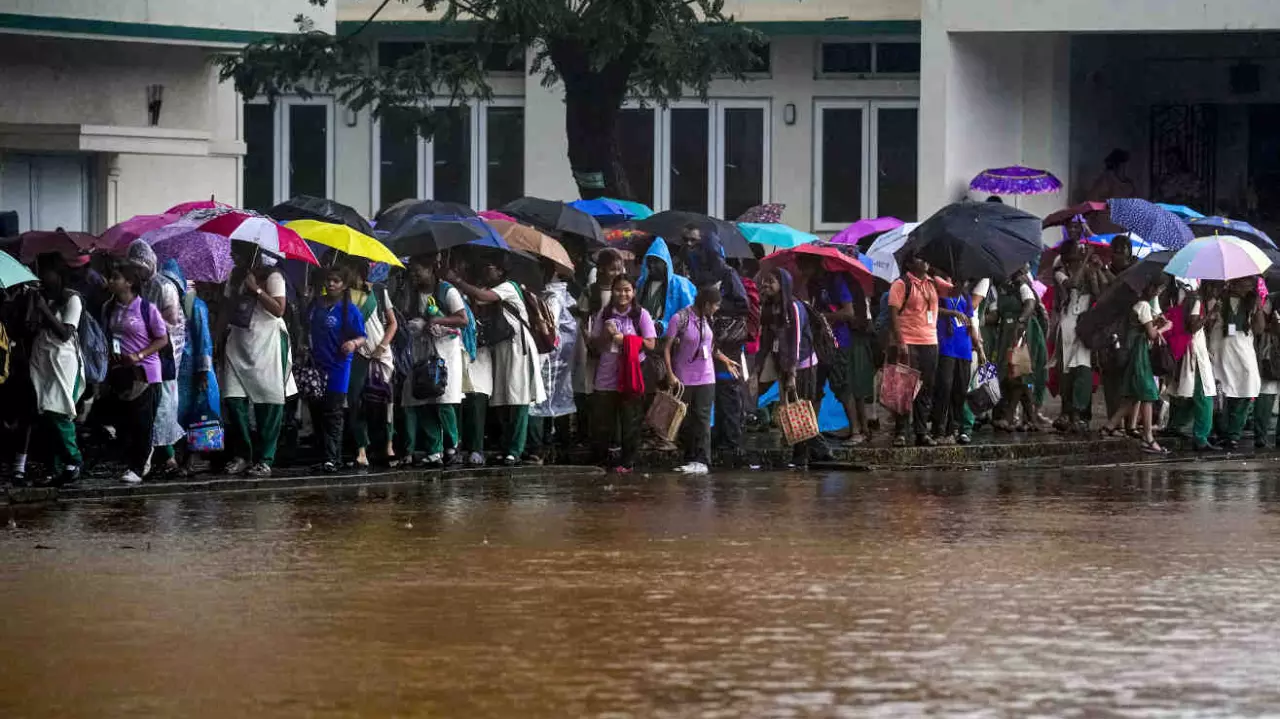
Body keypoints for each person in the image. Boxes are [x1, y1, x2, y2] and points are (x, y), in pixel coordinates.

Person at [447, 255, 545, 467]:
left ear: (500, 271)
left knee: (518, 398)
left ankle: (515, 450)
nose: (485, 271)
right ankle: (505, 446)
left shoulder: (508, 287)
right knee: (503, 397)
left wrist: (457, 281)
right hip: (501, 347)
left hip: (518, 347)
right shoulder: (492, 289)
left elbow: (482, 296)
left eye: (489, 267)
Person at [221, 253, 292, 478]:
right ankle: (243, 454)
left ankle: (265, 458)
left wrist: (256, 289)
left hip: (266, 343)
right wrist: (217, 335)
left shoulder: (273, 277)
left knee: (268, 400)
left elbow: (279, 310)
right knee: (233, 399)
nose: (234, 254)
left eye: (238, 249)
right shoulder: (234, 275)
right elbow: (226, 306)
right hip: (238, 342)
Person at [682, 226, 750, 460]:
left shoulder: (728, 274)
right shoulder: (699, 272)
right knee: (713, 391)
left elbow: (743, 305)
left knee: (728, 390)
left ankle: (732, 440)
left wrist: (717, 306)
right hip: (708, 338)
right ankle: (720, 435)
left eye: (698, 245)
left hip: (728, 339)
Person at [755, 268, 830, 467]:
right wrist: (757, 368)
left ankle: (805, 454)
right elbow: (765, 340)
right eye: (764, 281)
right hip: (783, 364)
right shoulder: (769, 307)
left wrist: (792, 374)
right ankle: (812, 450)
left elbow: (796, 341)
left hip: (803, 364)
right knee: (791, 409)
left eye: (770, 281)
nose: (765, 285)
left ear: (783, 284)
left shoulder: (795, 308)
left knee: (801, 408)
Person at [103, 262, 169, 484]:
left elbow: (162, 339)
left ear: (129, 282)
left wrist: (139, 355)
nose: (111, 281)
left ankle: (139, 467)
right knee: (126, 421)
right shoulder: (109, 308)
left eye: (115, 277)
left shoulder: (146, 309)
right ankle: (135, 462)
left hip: (146, 373)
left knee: (143, 422)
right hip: (122, 374)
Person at [798, 255, 873, 446]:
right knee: (815, 386)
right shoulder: (812, 284)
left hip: (839, 341)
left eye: (803, 264)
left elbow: (848, 313)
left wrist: (824, 316)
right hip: (820, 342)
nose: (800, 268)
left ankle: (855, 430)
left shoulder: (836, 281)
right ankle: (811, 433)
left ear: (814, 263)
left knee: (842, 385)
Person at [400, 257, 468, 468]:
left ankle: (452, 446)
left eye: (418, 271)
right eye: (411, 272)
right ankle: (433, 450)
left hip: (446, 353)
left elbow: (462, 319)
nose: (414, 276)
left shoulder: (447, 291)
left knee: (444, 401)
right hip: (422, 352)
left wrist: (436, 320)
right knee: (424, 401)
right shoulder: (411, 294)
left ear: (430, 269)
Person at [126, 240, 185, 477]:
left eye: (140, 266)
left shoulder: (163, 287)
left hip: (165, 350)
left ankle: (162, 458)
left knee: (163, 405)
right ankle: (164, 456)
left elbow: (170, 321)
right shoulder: (142, 287)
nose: (138, 272)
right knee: (154, 404)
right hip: (148, 350)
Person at [664, 286, 736, 475]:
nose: (716, 309)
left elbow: (710, 347)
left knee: (703, 419)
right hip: (684, 378)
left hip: (706, 377)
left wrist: (726, 360)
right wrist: (670, 374)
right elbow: (666, 348)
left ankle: (702, 460)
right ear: (705, 304)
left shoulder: (709, 320)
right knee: (686, 419)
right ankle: (689, 458)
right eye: (715, 305)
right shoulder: (680, 319)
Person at [590, 274, 656, 473]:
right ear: (612, 291)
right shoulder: (605, 313)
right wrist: (606, 334)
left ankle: (627, 462)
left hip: (632, 373)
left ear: (633, 292)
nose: (623, 294)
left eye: (627, 290)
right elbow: (595, 345)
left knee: (630, 419)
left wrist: (625, 339)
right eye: (618, 289)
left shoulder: (640, 314)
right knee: (603, 419)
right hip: (607, 372)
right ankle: (602, 460)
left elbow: (651, 344)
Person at [29, 253, 85, 485]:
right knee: (45, 412)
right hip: (43, 361)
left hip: (63, 362)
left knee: (59, 410)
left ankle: (74, 461)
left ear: (57, 273)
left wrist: (44, 309)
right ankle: (55, 467)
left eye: (45, 271)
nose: (41, 276)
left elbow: (65, 334)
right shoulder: (43, 297)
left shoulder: (73, 300)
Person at [886, 253, 952, 446]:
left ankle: (921, 432)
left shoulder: (933, 282)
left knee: (926, 388)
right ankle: (900, 432)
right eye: (919, 258)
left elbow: (954, 293)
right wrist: (900, 342)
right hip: (908, 341)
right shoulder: (901, 284)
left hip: (930, 342)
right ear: (908, 263)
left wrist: (959, 273)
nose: (925, 261)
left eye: (925, 258)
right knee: (904, 388)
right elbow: (893, 315)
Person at [162, 260, 220, 474]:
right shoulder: (171, 305)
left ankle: (192, 460)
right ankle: (181, 459)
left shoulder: (196, 306)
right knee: (178, 413)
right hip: (178, 369)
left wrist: (203, 371)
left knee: (194, 414)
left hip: (193, 369)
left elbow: (204, 339)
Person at [308, 266, 366, 472]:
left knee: (333, 412)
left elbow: (362, 336)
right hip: (316, 367)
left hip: (338, 367)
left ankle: (333, 458)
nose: (331, 284)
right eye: (329, 280)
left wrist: (353, 344)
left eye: (336, 281)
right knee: (316, 411)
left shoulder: (350, 310)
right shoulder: (317, 305)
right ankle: (321, 454)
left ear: (344, 285)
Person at [1101, 280, 1169, 454]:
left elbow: (1141, 326)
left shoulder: (1136, 305)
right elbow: (1152, 335)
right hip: (1138, 355)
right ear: (1151, 288)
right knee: (1148, 393)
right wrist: (1165, 327)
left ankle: (1108, 427)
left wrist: (1155, 323)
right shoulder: (1144, 305)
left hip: (1131, 352)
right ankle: (1148, 437)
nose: (1158, 292)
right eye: (1158, 288)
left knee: (1133, 395)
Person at [344, 261, 399, 470]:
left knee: (385, 400)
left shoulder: (378, 290)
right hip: (357, 353)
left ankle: (388, 445)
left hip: (380, 353)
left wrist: (382, 346)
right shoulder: (345, 295)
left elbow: (393, 323)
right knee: (356, 401)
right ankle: (361, 450)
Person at [572, 249, 625, 448]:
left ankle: (610, 435)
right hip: (591, 346)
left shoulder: (621, 291)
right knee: (589, 389)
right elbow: (584, 320)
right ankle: (587, 433)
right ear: (601, 269)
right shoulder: (591, 291)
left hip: (613, 346)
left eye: (619, 269)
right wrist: (589, 343)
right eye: (613, 269)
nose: (616, 273)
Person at [528, 263, 579, 465]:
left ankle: (542, 447)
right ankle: (551, 445)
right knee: (551, 400)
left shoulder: (554, 296)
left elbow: (552, 326)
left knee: (542, 400)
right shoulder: (554, 294)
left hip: (551, 357)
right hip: (556, 356)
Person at [1210, 277, 1264, 449]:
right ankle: (1222, 432)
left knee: (1245, 389)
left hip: (1242, 350)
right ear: (1233, 283)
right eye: (1244, 284)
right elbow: (1209, 324)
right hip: (1221, 349)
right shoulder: (1219, 299)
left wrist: (1258, 308)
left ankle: (1233, 434)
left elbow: (1259, 329)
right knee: (1221, 393)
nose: (1246, 287)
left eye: (1249, 284)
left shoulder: (1251, 303)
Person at [1054, 240, 1102, 432]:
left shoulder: (1088, 270)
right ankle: (1068, 412)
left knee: (1083, 370)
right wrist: (1086, 261)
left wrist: (1095, 272)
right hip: (1067, 326)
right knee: (1066, 372)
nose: (1080, 253)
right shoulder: (1060, 272)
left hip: (1084, 326)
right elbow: (1071, 284)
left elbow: (1098, 294)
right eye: (1077, 251)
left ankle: (1080, 413)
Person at [1166, 282, 1218, 451]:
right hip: (1195, 354)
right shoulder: (1196, 300)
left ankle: (1175, 425)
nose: (1216, 291)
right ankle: (1201, 437)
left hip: (1195, 350)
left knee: (1190, 395)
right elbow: (1193, 326)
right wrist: (1208, 315)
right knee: (1204, 395)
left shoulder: (1189, 298)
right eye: (1215, 287)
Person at [992, 270, 1045, 432]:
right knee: (1013, 375)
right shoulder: (999, 288)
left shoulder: (1021, 286)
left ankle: (1009, 417)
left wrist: (1020, 322)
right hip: (1006, 334)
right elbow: (996, 314)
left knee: (1019, 375)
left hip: (1021, 333)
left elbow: (1030, 304)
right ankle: (1032, 419)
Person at [932, 282, 982, 444]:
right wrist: (951, 313)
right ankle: (938, 429)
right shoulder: (941, 293)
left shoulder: (966, 296)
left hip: (964, 347)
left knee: (960, 389)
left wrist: (979, 348)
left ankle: (953, 429)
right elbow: (933, 310)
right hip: (946, 345)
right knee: (945, 387)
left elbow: (970, 320)